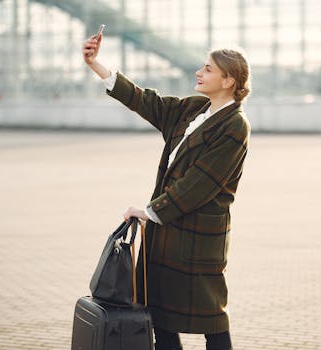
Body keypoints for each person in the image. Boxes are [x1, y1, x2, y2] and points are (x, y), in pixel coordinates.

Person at [82, 31, 251, 350]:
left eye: (208, 69)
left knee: (212, 319)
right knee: (159, 317)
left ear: (229, 80)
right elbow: (147, 101)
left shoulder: (235, 125)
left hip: (198, 238)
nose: (199, 73)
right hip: (165, 232)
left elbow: (199, 184)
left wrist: (148, 212)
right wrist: (96, 65)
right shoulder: (195, 110)